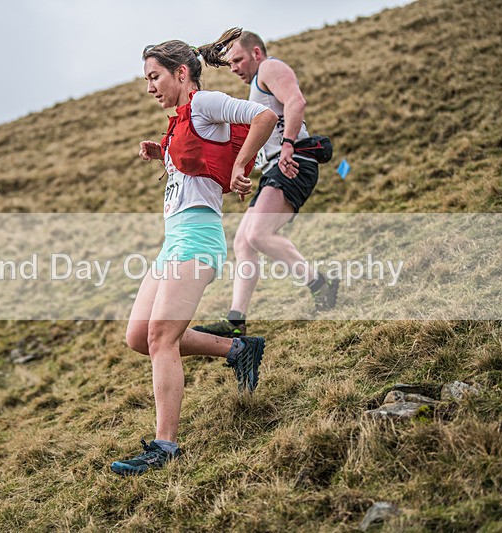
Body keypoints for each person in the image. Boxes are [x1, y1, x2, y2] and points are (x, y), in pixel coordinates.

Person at [110, 28, 278, 476]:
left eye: (155, 77)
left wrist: (240, 165)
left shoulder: (204, 103)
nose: (150, 87)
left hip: (198, 238)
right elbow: (195, 163)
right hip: (173, 240)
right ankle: (237, 349)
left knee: (161, 338)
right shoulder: (182, 119)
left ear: (181, 73)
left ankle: (165, 446)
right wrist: (161, 152)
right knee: (139, 337)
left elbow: (263, 116)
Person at [193, 31, 339, 339]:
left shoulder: (270, 68)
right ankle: (236, 321)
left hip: (293, 162)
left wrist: (287, 145)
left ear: (256, 53)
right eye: (230, 63)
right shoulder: (257, 86)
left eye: (238, 60)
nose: (234, 68)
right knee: (243, 242)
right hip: (276, 167)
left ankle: (320, 283)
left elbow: (296, 101)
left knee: (258, 234)